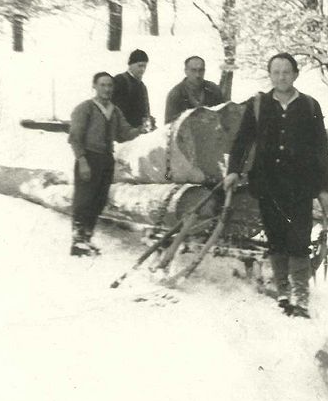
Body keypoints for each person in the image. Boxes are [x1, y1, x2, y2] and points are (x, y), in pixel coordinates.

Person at [223, 52, 328, 318]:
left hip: (300, 186)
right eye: (276, 72)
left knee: (299, 239)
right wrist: (233, 171)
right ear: (270, 75)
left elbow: (320, 149)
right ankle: (283, 290)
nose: (281, 77)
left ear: (295, 74)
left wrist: (324, 188)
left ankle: (300, 296)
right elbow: (242, 141)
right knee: (277, 238)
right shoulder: (258, 105)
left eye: (286, 72)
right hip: (268, 183)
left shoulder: (310, 106)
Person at [68, 72, 147, 256]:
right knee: (84, 199)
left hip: (106, 159)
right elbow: (75, 137)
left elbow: (123, 133)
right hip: (89, 157)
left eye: (110, 85)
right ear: (94, 86)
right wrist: (82, 161)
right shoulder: (85, 108)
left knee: (99, 200)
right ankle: (77, 242)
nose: (107, 89)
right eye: (102, 85)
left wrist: (140, 130)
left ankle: (87, 238)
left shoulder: (115, 110)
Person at [164, 55, 225, 124]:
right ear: (186, 71)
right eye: (193, 70)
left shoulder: (213, 89)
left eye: (201, 70)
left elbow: (224, 117)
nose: (197, 75)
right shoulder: (176, 94)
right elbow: (169, 125)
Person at [113, 49, 153, 129]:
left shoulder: (142, 86)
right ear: (130, 64)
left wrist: (148, 127)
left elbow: (146, 111)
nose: (142, 69)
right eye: (140, 66)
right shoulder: (120, 80)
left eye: (144, 66)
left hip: (137, 131)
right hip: (121, 131)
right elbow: (115, 110)